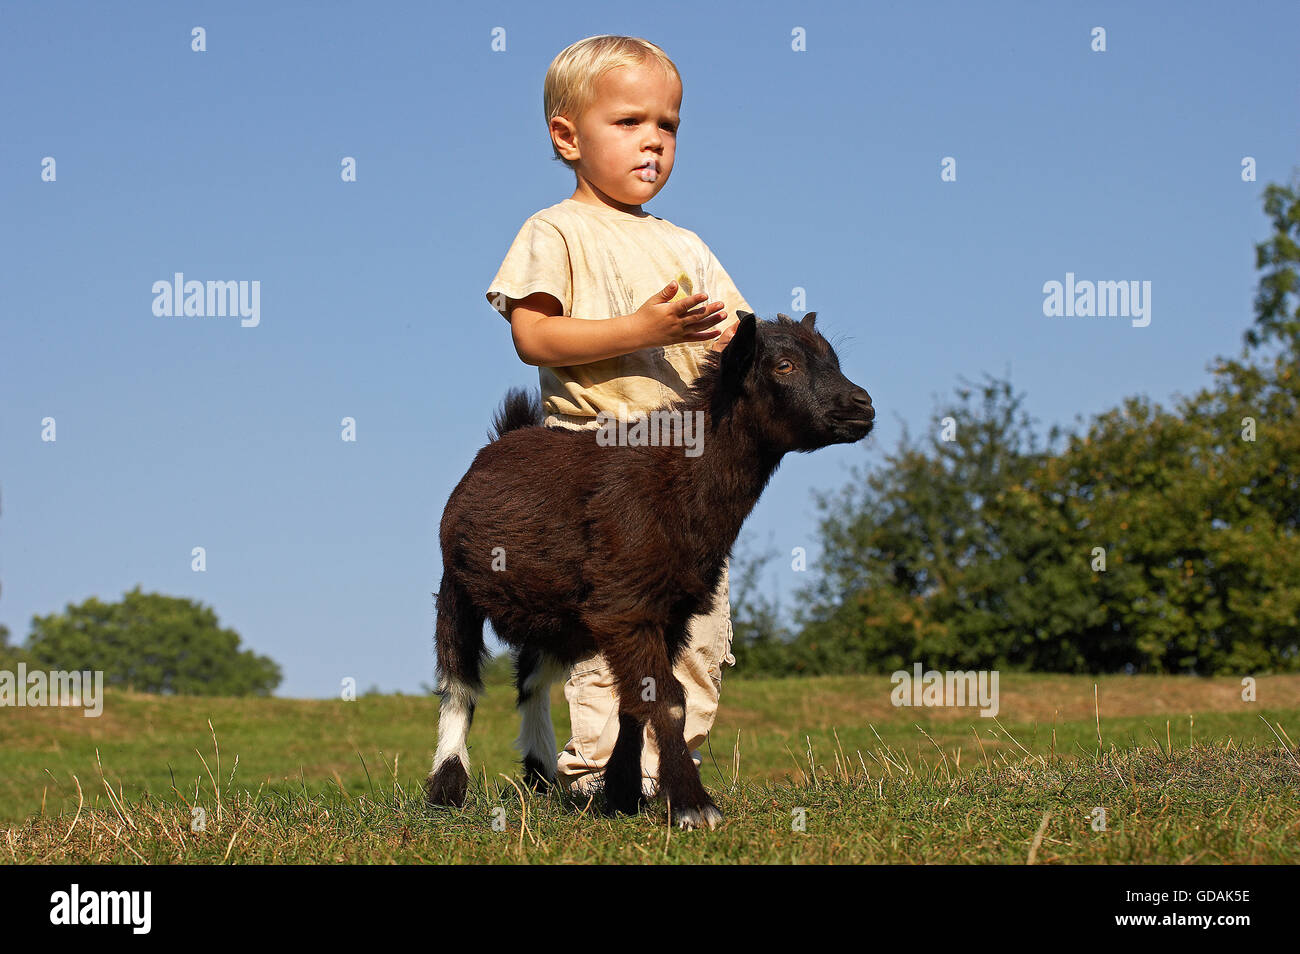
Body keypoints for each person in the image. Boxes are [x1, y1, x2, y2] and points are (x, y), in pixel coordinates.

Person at [483, 34, 753, 797]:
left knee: (695, 633)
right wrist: (643, 330)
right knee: (616, 630)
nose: (654, 142)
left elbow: (741, 333)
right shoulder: (555, 231)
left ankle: (671, 764)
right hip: (597, 465)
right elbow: (533, 337)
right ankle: (599, 770)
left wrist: (735, 341)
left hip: (684, 471)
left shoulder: (686, 245)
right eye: (630, 122)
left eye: (668, 125)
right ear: (567, 136)